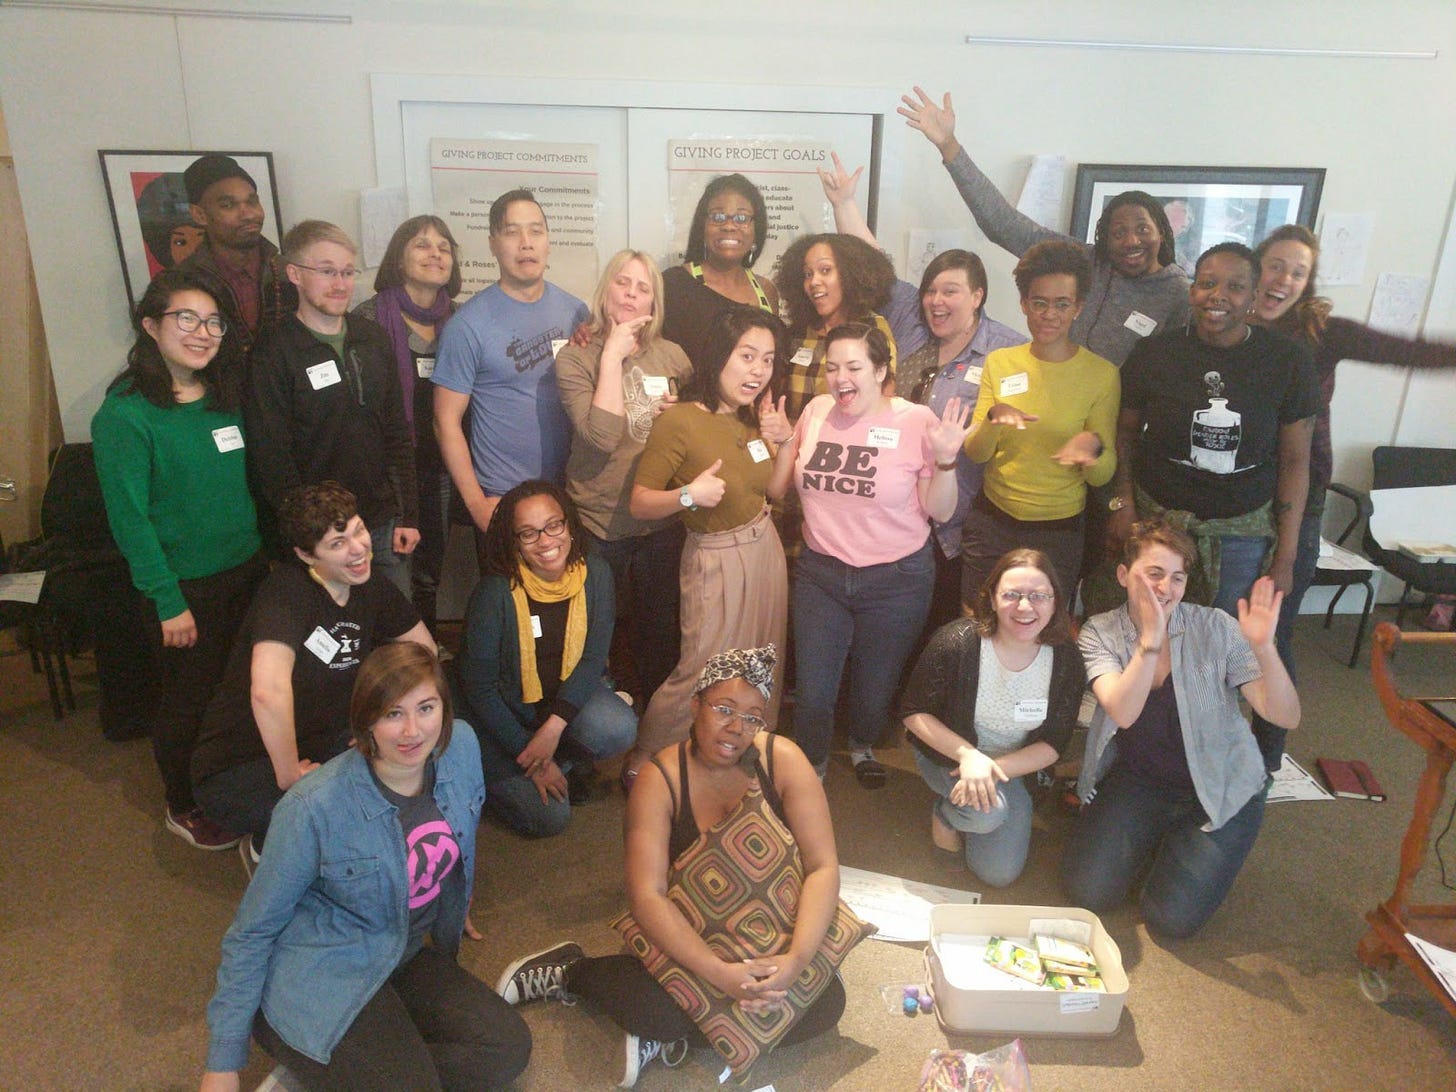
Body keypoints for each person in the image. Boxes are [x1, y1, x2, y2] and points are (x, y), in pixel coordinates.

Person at [492, 647, 850, 1089]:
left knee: (827, 1002)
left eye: (753, 717)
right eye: (724, 709)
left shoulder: (784, 760)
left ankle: (673, 1036)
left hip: (766, 929)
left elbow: (822, 866)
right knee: (657, 1013)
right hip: (690, 933)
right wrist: (720, 974)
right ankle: (573, 971)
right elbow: (647, 896)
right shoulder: (659, 781)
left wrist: (795, 960)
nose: (736, 729)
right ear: (696, 704)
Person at [198, 642, 531, 1092]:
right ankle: (334, 1062)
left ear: (445, 710)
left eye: (426, 708)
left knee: (508, 1048)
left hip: (400, 949)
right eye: (393, 713)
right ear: (366, 721)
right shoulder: (312, 806)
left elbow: (453, 846)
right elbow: (252, 931)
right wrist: (223, 1061)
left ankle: (341, 1076)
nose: (413, 730)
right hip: (321, 970)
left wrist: (451, 893)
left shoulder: (462, 746)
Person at [1248, 224, 1456, 767]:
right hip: (1238, 492)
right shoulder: (1225, 322)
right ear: (1256, 267)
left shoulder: (1323, 333)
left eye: (1297, 271)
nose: (1283, 279)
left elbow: (1406, 351)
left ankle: (1266, 755)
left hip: (1303, 492)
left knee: (1275, 632)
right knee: (1227, 625)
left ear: (1307, 282)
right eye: (1275, 265)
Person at [92, 268, 267, 850]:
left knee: (234, 690)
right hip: (184, 590)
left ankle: (226, 782)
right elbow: (129, 520)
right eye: (185, 318)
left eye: (214, 321)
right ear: (150, 324)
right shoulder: (125, 414)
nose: (202, 332)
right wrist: (167, 601)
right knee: (186, 702)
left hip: (245, 570)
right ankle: (182, 802)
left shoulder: (221, 395)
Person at [816, 155, 1027, 628]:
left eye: (951, 292)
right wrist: (844, 205)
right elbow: (871, 263)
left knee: (945, 627)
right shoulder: (911, 323)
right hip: (893, 510)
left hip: (959, 524)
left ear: (977, 297)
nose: (936, 301)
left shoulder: (1008, 352)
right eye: (931, 290)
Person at [1062, 520, 1300, 938]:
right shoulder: (1101, 631)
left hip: (1220, 784)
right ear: (1123, 576)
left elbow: (1284, 715)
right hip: (1141, 780)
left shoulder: (1217, 626)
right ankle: (1159, 838)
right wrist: (1151, 641)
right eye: (1153, 573)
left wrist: (1264, 647)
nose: (1165, 588)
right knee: (1089, 892)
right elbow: (1123, 711)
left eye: (1177, 577)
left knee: (1170, 920)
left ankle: (1186, 839)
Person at [767, 323, 970, 784]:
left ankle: (861, 745)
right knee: (815, 690)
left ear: (881, 370)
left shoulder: (915, 420)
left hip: (897, 579)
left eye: (854, 366)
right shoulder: (817, 411)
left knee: (874, 685)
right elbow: (780, 487)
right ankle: (811, 766)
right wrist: (782, 441)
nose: (840, 377)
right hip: (822, 573)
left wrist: (946, 460)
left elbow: (939, 510)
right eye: (832, 367)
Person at [191, 482, 434, 860]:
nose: (358, 550)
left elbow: (424, 652)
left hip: (325, 742)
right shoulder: (286, 592)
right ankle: (269, 844)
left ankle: (296, 835)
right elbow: (267, 690)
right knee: (358, 820)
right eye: (337, 544)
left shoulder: (369, 584)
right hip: (242, 765)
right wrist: (288, 774)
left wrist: (376, 716)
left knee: (403, 779)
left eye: (358, 531)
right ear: (306, 555)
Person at [898, 87, 1189, 366]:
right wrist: (948, 145)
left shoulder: (1176, 292)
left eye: (1142, 229)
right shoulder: (1083, 261)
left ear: (1161, 232)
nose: (1131, 241)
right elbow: (1002, 224)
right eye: (1118, 233)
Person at [625, 310, 794, 784]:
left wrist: (788, 440)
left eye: (767, 360)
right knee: (700, 669)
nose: (758, 371)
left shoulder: (753, 421)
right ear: (718, 355)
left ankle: (734, 753)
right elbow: (639, 503)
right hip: (714, 557)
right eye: (746, 357)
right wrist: (688, 496)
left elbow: (776, 492)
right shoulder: (679, 420)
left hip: (765, 551)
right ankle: (647, 759)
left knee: (762, 663)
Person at [1108, 243, 1319, 615]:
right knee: (1149, 635)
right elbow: (1123, 436)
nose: (1218, 295)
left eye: (1235, 287)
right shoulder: (1154, 354)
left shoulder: (1288, 362)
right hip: (1158, 526)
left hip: (1242, 536)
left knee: (1225, 647)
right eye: (1207, 283)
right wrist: (1121, 504)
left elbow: (1295, 461)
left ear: (1253, 297)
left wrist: (1286, 555)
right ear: (1192, 291)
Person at [245, 220, 418, 597]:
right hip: (321, 536)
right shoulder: (274, 352)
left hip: (383, 522)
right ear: (294, 274)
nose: (340, 284)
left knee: (398, 641)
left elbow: (397, 432)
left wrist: (408, 515)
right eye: (326, 271)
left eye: (346, 272)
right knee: (337, 645)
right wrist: (310, 535)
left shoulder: (370, 336)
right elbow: (272, 458)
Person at [455, 481, 637, 837]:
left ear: (569, 524)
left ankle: (560, 758)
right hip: (504, 714)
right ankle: (489, 769)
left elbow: (591, 659)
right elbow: (479, 689)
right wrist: (529, 752)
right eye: (528, 533)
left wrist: (552, 730)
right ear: (514, 541)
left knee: (619, 726)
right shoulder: (494, 593)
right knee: (548, 818)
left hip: (555, 704)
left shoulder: (595, 574)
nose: (546, 541)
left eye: (554, 525)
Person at [556, 250, 695, 704]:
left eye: (643, 287)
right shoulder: (576, 357)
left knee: (658, 634)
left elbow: (700, 421)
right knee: (599, 633)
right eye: (623, 283)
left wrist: (682, 414)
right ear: (605, 289)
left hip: (660, 524)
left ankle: (656, 729)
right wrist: (611, 355)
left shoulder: (672, 356)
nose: (631, 294)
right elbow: (601, 436)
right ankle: (600, 734)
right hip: (599, 522)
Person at [901, 549, 1085, 886]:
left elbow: (1054, 743)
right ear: (992, 598)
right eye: (1012, 595)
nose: (1025, 607)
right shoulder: (957, 642)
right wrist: (969, 755)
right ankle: (945, 817)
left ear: (1056, 601)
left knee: (997, 875)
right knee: (989, 813)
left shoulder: (1066, 658)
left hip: (1011, 767)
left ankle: (965, 809)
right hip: (949, 757)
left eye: (1038, 596)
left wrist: (989, 770)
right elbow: (913, 712)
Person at [432, 188, 590, 568]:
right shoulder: (467, 324)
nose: (525, 244)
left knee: (562, 610)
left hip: (566, 494)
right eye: (512, 232)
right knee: (509, 611)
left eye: (536, 231)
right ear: (492, 244)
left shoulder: (575, 311)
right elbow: (445, 421)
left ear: (548, 242)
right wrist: (475, 502)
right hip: (502, 500)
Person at [961, 240, 1119, 604]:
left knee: (1043, 632)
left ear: (1078, 308)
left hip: (1058, 532)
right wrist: (994, 420)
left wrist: (1090, 451)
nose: (1050, 314)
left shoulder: (1101, 374)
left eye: (1062, 304)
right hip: (992, 523)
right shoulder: (1000, 362)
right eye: (1039, 302)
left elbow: (1103, 474)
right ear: (1024, 305)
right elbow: (976, 452)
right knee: (976, 627)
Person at [352, 215, 464, 634]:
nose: (434, 253)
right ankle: (394, 658)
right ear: (398, 258)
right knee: (391, 571)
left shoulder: (462, 320)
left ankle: (427, 648)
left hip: (442, 466)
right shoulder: (367, 318)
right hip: (388, 472)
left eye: (444, 247)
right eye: (421, 244)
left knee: (430, 566)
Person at [774, 232, 922, 420]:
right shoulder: (798, 332)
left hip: (843, 445)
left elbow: (882, 401)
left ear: (851, 274)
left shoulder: (872, 329)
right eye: (807, 274)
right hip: (793, 442)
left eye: (825, 270)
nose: (814, 282)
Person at [177, 153, 296, 353]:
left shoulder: (289, 271)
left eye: (252, 202)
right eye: (228, 205)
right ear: (200, 214)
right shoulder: (182, 282)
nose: (248, 214)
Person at [661, 173, 780, 370]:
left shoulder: (766, 291)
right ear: (703, 226)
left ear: (756, 229)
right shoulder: (673, 284)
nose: (729, 226)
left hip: (756, 401)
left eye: (741, 218)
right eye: (718, 216)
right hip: (687, 400)